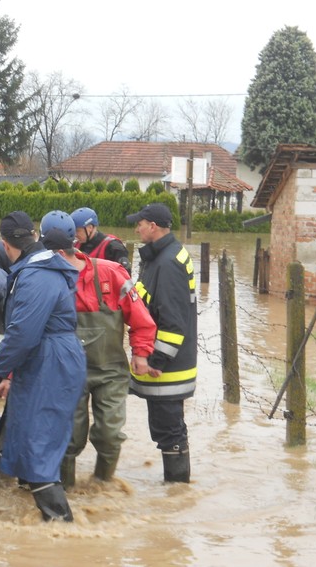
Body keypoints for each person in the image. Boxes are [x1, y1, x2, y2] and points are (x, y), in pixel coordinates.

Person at [0, 211, 86, 523]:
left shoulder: (36, 275)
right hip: (47, 358)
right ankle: (47, 528)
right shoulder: (39, 268)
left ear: (4, 243)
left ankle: (61, 529)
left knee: (38, 446)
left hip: (51, 361)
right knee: (29, 439)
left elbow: (23, 334)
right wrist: (2, 364)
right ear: (34, 235)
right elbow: (24, 334)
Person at [38, 211, 156, 487]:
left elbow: (142, 320)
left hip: (110, 371)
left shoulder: (112, 273)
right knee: (70, 436)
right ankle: (64, 490)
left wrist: (140, 353)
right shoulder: (45, 278)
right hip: (68, 373)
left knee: (110, 433)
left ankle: (103, 487)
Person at [126, 202, 197, 483]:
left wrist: (156, 360)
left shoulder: (167, 264)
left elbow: (173, 320)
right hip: (169, 363)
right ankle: (175, 496)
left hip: (168, 368)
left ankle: (178, 489)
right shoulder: (163, 256)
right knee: (166, 429)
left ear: (153, 226)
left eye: (140, 224)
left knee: (169, 430)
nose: (137, 228)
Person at [71, 207, 131, 275]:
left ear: (90, 228)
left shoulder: (114, 247)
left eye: (77, 230)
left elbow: (125, 277)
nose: (75, 234)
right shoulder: (74, 246)